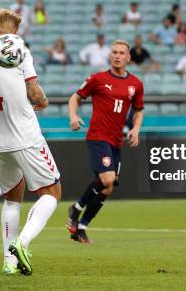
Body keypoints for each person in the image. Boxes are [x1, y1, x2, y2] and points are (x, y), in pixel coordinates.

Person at [0, 9, 60, 275]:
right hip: (24, 135)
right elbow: (34, 91)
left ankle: (8, 263)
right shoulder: (19, 48)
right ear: (14, 34)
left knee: (11, 199)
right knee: (51, 193)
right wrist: (42, 101)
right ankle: (23, 243)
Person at [67, 39, 144, 243]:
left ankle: (81, 227)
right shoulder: (97, 79)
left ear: (128, 58)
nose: (117, 56)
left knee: (108, 188)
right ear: (110, 56)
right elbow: (75, 97)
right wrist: (73, 116)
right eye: (114, 52)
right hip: (98, 136)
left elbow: (138, 110)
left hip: (116, 141)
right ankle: (75, 208)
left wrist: (136, 129)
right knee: (108, 179)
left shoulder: (135, 84)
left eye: (121, 53)